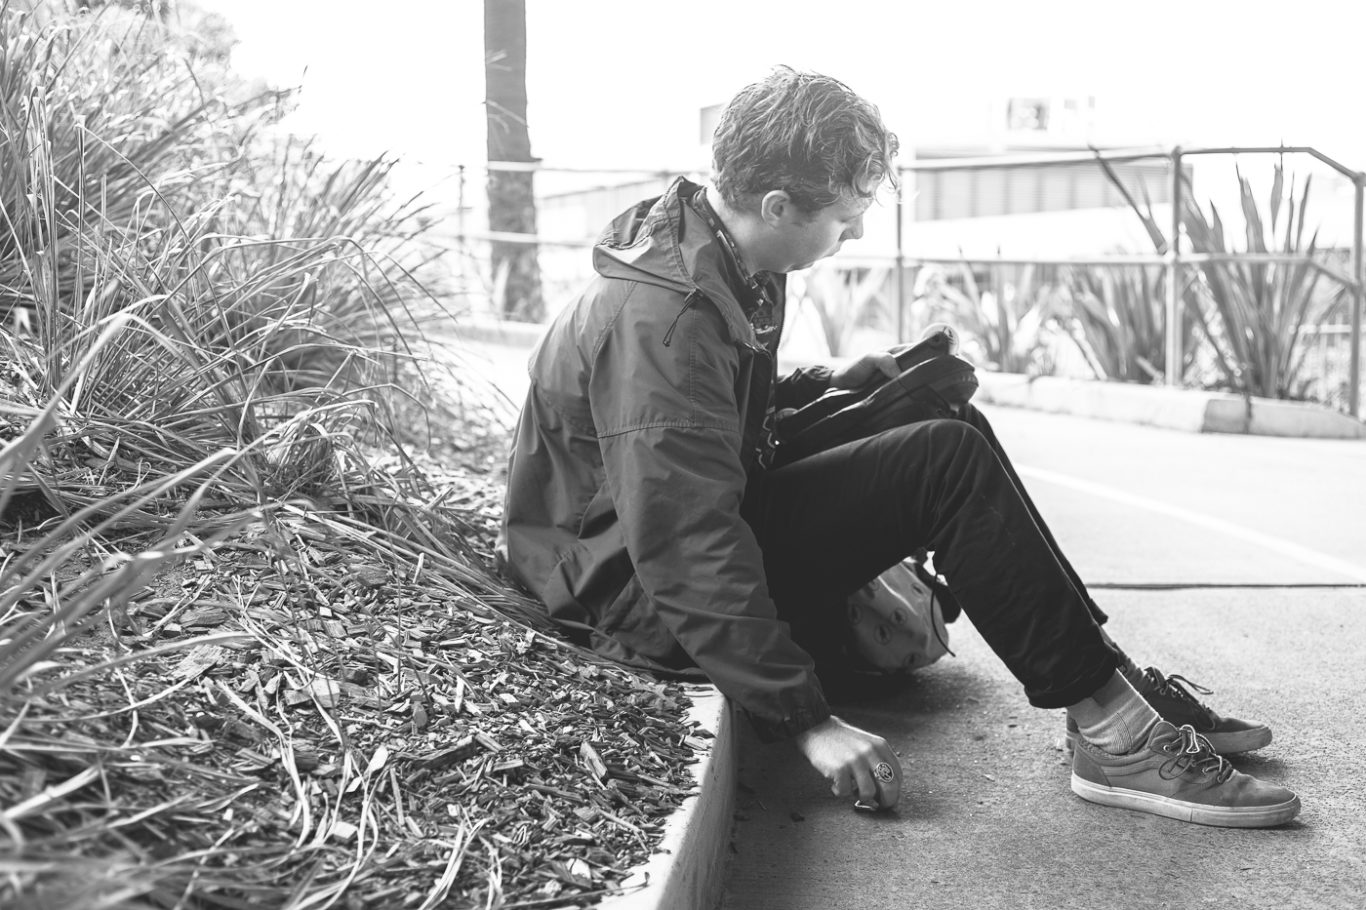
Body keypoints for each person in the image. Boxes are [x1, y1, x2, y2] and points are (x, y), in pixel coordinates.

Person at [497, 67, 1300, 828]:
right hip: (628, 596)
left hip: (664, 533)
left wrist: (831, 381)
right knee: (943, 464)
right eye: (844, 218)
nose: (855, 233)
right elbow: (682, 542)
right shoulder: (664, 324)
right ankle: (1116, 736)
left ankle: (1104, 683)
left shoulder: (719, 252)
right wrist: (807, 720)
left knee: (941, 417)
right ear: (777, 206)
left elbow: (708, 421)